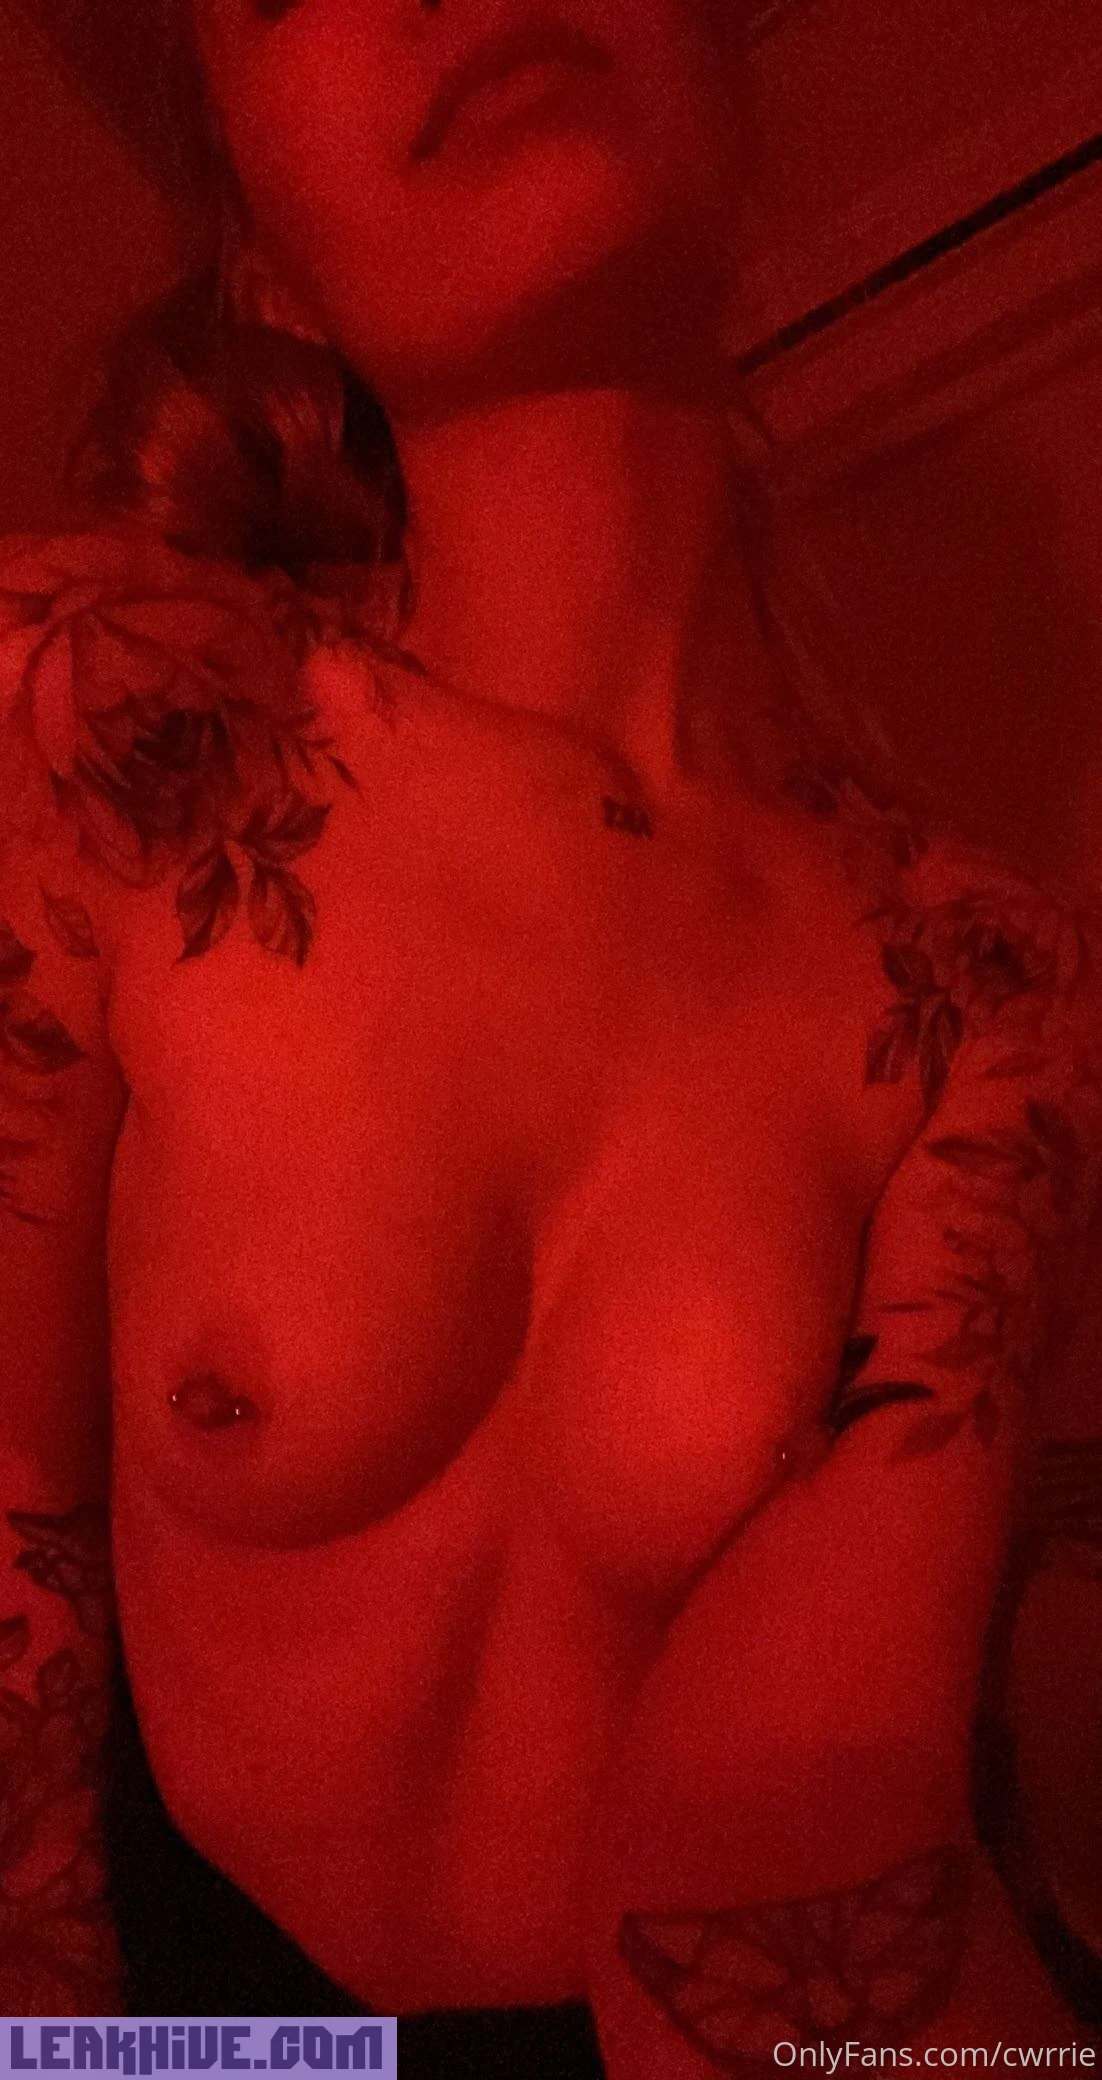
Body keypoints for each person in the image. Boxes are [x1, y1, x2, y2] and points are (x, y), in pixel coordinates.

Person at [1, 0, 1100, 2067]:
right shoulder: (105, 714)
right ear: (263, 261)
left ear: (722, 59)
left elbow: (817, 1792)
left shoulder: (978, 974)